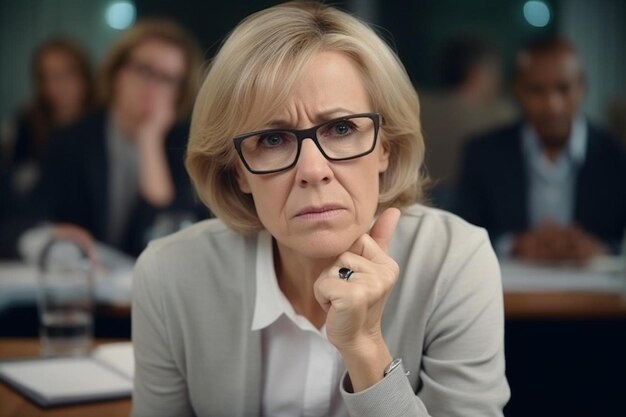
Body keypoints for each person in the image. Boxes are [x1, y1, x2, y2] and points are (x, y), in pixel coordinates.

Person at [132, 2, 510, 416]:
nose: (313, 171)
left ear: (385, 146)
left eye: (342, 129)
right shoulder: (169, 275)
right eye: (272, 140)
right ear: (238, 172)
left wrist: (365, 347)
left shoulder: (455, 261)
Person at [28, 19, 206, 257]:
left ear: (179, 93)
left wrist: (149, 140)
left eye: (168, 79)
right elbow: (31, 218)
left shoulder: (188, 148)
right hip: (83, 280)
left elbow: (170, 236)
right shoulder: (71, 139)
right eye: (145, 71)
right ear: (117, 72)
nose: (153, 87)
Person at [456, 37, 626, 263]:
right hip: (512, 295)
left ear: (582, 87)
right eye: (536, 90)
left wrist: (602, 249)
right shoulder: (482, 153)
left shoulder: (616, 155)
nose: (552, 105)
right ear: (517, 91)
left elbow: (619, 238)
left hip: (597, 294)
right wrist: (513, 245)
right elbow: (463, 233)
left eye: (563, 89)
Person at [420, 35, 515, 209]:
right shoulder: (499, 117)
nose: (497, 81)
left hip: (415, 204)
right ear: (477, 72)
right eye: (494, 72)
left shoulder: (416, 108)